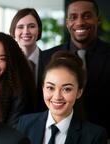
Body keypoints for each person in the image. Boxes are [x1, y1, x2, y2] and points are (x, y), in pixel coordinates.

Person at [16, 51, 107, 144]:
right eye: (50, 87)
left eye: (67, 89)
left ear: (79, 92)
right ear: (43, 88)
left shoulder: (94, 136)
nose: (57, 96)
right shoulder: (25, 124)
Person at [42, 0, 110, 136]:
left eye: (87, 16)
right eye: (73, 17)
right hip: (56, 137)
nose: (79, 22)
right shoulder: (46, 57)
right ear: (67, 23)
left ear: (98, 20)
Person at [10, 8, 46, 111]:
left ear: (39, 30)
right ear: (14, 31)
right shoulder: (7, 63)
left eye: (31, 26)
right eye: (20, 27)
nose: (26, 32)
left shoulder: (50, 61)